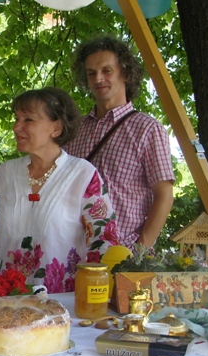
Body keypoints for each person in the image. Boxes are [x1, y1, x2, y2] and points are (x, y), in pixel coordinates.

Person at [0, 88, 118, 293]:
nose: (16, 127)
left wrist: (95, 297)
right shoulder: (4, 174)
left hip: (63, 303)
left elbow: (103, 241)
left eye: (28, 120)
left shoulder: (83, 175)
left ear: (56, 128)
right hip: (6, 301)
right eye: (17, 119)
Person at [66, 36, 174, 249]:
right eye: (91, 73)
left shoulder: (147, 129)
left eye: (106, 71)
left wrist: (138, 253)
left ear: (125, 73)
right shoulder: (75, 131)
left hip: (122, 252)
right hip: (74, 252)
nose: (98, 79)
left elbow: (164, 196)